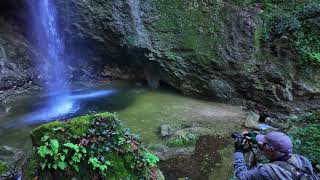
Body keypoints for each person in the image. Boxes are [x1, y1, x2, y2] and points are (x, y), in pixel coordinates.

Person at [233, 131, 319, 180]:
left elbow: (241, 176)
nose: (262, 145)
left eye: (264, 144)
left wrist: (238, 151)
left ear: (271, 150)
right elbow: (270, 149)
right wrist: (256, 139)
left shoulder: (266, 171)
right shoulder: (302, 160)